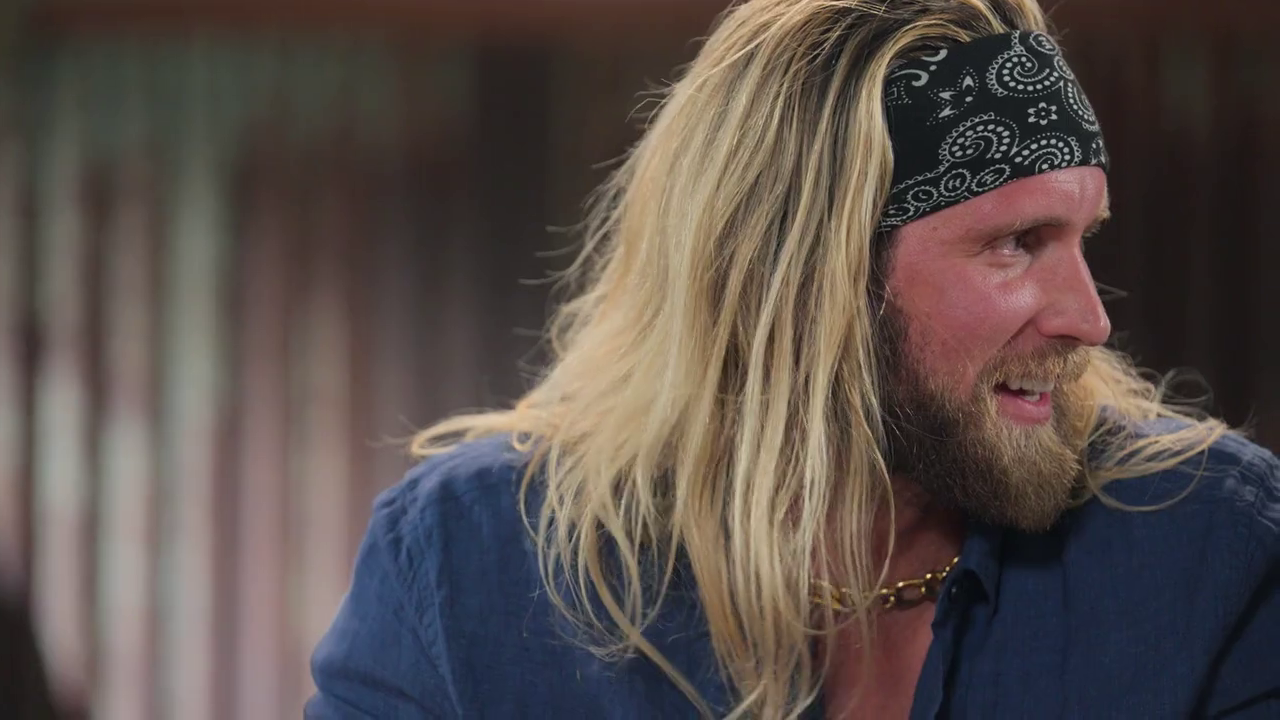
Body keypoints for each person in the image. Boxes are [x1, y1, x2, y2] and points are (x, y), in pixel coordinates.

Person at [306, 0, 1280, 717]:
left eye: (1081, 238)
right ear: (807, 276)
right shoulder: (468, 569)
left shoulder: (1205, 554)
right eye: (1014, 244)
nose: (1087, 319)